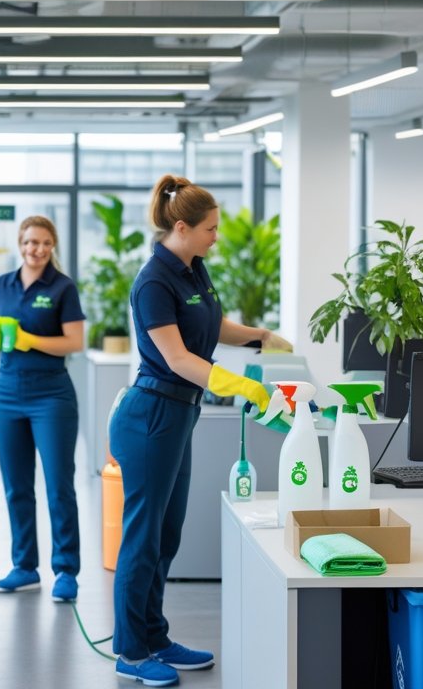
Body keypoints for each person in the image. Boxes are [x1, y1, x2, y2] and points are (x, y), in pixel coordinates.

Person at [109, 176, 291, 687]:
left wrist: (261, 336)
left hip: (179, 415)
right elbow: (178, 358)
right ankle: (130, 651)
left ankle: (155, 636)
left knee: (166, 536)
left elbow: (212, 325)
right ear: (182, 227)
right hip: (151, 417)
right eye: (210, 229)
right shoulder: (152, 282)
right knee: (142, 538)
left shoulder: (193, 269)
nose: (217, 237)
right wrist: (245, 388)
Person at [0, 216, 87, 602]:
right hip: (5, 392)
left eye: (43, 243)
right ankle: (24, 566)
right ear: (20, 243)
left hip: (51, 395)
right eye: (29, 242)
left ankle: (66, 570)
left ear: (52, 245)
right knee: (16, 486)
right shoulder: (1, 285)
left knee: (59, 486)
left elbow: (74, 341)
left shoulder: (62, 288)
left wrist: (30, 339)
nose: (35, 250)